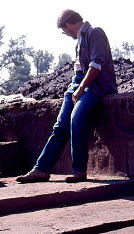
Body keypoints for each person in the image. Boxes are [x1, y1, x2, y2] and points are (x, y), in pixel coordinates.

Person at [16, 9, 117, 183]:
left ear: (69, 25)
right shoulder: (79, 40)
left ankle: (79, 171)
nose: (65, 33)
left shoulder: (95, 33)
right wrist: (73, 88)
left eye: (64, 31)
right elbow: (79, 71)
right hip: (79, 84)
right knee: (60, 125)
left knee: (76, 118)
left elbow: (96, 66)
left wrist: (80, 89)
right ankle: (41, 169)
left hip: (97, 85)